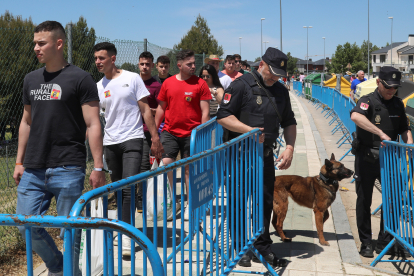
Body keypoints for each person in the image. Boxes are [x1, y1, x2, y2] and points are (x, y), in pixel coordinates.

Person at [13, 21, 106, 276]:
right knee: (25, 224)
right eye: (35, 43)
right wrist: (19, 161)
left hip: (68, 166)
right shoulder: (30, 79)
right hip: (33, 167)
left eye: (41, 43)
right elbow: (26, 121)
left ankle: (69, 272)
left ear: (59, 43)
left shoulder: (80, 78)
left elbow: (93, 122)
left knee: (70, 230)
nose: (36, 48)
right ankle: (57, 266)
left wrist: (98, 166)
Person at [217, 47, 297, 268]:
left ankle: (262, 246)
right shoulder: (240, 86)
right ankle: (241, 247)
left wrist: (290, 147)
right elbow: (223, 116)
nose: (275, 78)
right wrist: (248, 130)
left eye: (279, 74)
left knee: (264, 202)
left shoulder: (281, 91)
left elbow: (289, 121)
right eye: (273, 73)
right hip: (240, 157)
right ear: (261, 65)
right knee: (239, 202)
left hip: (265, 157)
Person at [94, 43, 163, 256]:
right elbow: (99, 117)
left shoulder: (132, 78)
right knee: (118, 189)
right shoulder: (98, 85)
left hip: (133, 139)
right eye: (96, 58)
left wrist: (154, 139)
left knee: (128, 187)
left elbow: (145, 110)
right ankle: (125, 227)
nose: (98, 62)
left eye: (102, 58)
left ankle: (126, 238)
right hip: (110, 143)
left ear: (113, 59)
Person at [350, 66, 413, 258]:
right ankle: (366, 242)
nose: (391, 91)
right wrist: (380, 133)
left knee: (392, 200)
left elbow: (404, 128)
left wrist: (409, 143)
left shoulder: (397, 104)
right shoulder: (367, 101)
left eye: (394, 87)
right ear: (378, 82)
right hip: (367, 158)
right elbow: (355, 116)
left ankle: (385, 240)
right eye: (387, 87)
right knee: (364, 201)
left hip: (390, 160)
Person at [155, 50, 211, 220]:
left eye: (194, 63)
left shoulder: (200, 84)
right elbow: (160, 109)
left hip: (192, 134)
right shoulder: (168, 83)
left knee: (188, 170)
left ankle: (190, 204)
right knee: (167, 166)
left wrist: (202, 135)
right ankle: (172, 203)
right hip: (170, 132)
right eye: (189, 64)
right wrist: (154, 134)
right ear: (179, 65)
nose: (194, 66)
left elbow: (205, 112)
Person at [136, 51, 162, 212]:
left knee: (144, 166)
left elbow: (161, 110)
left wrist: (147, 110)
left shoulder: (157, 86)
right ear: (138, 64)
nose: (144, 67)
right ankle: (128, 198)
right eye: (142, 64)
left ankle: (141, 199)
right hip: (131, 130)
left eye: (147, 64)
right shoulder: (132, 82)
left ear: (152, 65)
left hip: (147, 131)